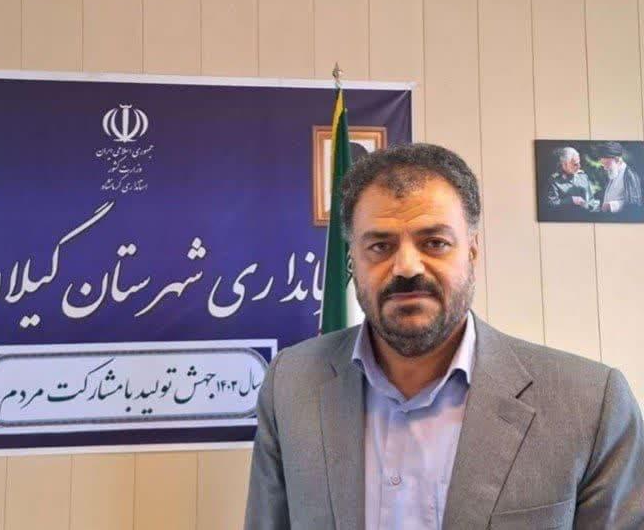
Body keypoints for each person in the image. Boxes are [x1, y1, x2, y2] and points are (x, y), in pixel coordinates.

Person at [244, 143, 643, 529]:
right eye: (380, 246)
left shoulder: (591, 405)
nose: (406, 267)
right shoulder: (291, 386)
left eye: (435, 243)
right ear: (353, 262)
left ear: (472, 251)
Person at [596, 142, 642, 213]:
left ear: (617, 160)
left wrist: (613, 206)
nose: (605, 168)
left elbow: (635, 204)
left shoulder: (630, 175)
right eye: (603, 164)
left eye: (607, 163)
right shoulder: (613, 173)